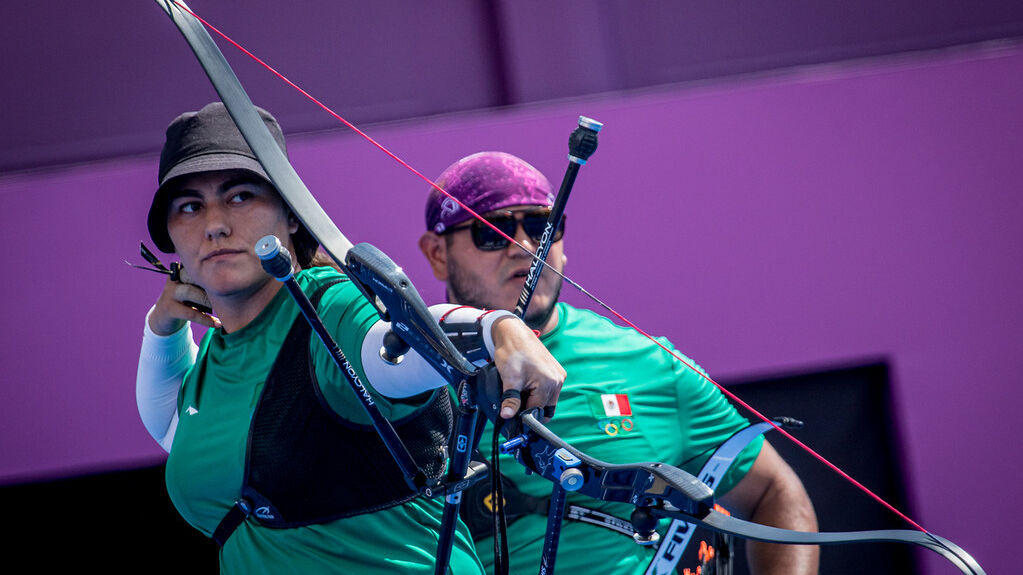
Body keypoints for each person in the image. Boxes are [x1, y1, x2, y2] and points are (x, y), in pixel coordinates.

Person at [135, 104, 566, 574]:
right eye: (190, 206)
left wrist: (495, 329)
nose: (215, 223)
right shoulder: (213, 367)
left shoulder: (329, 308)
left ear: (293, 216)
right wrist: (162, 326)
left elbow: (394, 347)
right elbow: (168, 425)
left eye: (240, 196)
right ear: (172, 237)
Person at [417, 152, 820, 575]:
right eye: (493, 231)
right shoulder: (401, 370)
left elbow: (774, 492)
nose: (525, 246)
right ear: (438, 253)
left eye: (541, 225)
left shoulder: (653, 364)